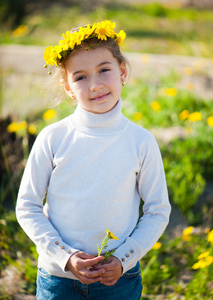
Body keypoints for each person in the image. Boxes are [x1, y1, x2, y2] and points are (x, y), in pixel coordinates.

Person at [16, 20, 171, 300]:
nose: (95, 84)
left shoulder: (141, 141)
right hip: (58, 280)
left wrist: (124, 258)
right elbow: (27, 206)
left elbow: (158, 210)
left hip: (119, 280)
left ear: (122, 71)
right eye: (80, 77)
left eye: (104, 70)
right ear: (67, 87)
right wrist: (65, 256)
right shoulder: (53, 138)